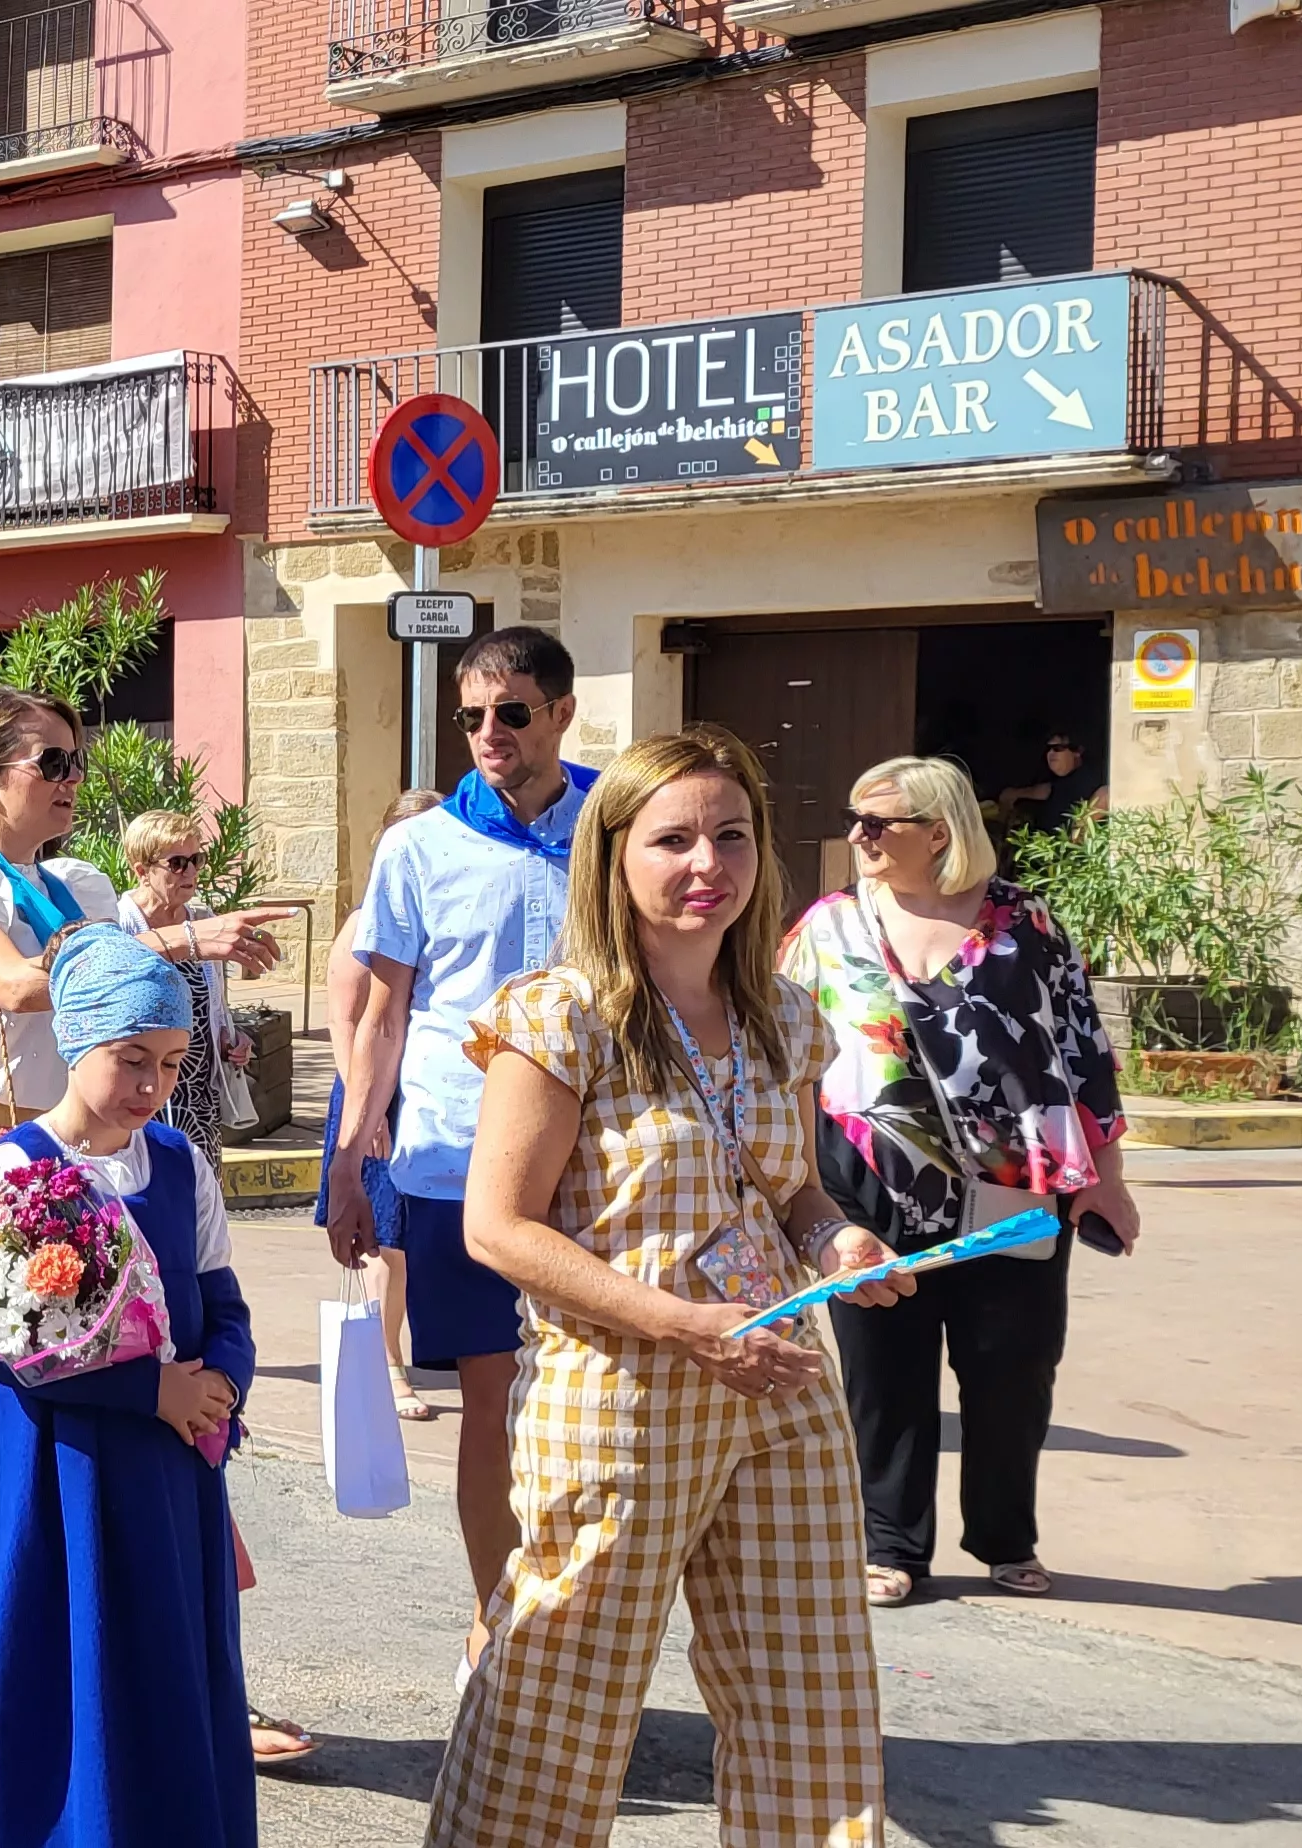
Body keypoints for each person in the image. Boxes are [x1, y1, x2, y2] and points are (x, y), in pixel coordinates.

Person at [432, 726, 904, 1848]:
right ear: (614, 857)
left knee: (812, 1694)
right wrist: (684, 1324)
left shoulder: (781, 1016)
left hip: (780, 1383)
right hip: (619, 1397)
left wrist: (841, 1243)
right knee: (562, 1694)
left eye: (730, 837)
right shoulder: (557, 1015)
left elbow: (794, 1197)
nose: (709, 865)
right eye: (675, 839)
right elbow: (496, 1228)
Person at [0, 923, 258, 1848]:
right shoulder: (15, 1173)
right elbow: (6, 1351)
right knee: (60, 1662)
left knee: (155, 1667)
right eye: (131, 1061)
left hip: (162, 1480)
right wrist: (147, 1394)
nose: (152, 1088)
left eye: (169, 1062)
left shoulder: (181, 1166)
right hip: (56, 1479)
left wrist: (222, 1388)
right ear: (78, 1043)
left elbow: (224, 1303)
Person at [784, 755, 1139, 1609]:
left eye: (880, 823)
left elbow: (1085, 1054)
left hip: (1016, 1187)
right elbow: (783, 1055)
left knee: (1012, 1370)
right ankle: (891, 1543)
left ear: (939, 833)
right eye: (854, 819)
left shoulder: (1028, 925)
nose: (859, 836)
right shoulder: (828, 926)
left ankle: (1006, 1537)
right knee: (884, 1374)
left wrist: (1108, 1178)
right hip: (871, 1182)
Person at [327, 625, 590, 1642]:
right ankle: (498, 1620)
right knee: (492, 1397)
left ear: (560, 714)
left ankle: (581, 1618)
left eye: (510, 713)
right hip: (452, 1160)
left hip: (590, 1160)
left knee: (582, 1407)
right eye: (472, 715)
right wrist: (352, 1160)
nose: (487, 733)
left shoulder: (615, 824)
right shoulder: (419, 845)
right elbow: (379, 1015)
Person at [0, 687, 285, 1220]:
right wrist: (182, 941)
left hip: (73, 1140)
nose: (72, 777)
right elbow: (16, 986)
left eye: (75, 761)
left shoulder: (73, 886)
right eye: (51, 762)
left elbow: (112, 995)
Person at [313, 787, 450, 1423]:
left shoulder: (439, 913)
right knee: (384, 1242)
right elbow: (346, 1026)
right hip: (377, 1097)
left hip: (423, 1090)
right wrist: (367, 1118)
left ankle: (427, 1347)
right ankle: (388, 1364)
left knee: (419, 1239)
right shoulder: (364, 923)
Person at [119, 809, 259, 1156]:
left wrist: (233, 1039)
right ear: (143, 871)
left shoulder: (204, 921)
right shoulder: (121, 924)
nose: (192, 872)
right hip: (142, 1094)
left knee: (200, 1200)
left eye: (197, 859)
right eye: (178, 863)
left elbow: (214, 1006)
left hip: (199, 1096)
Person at [995, 734, 1106, 839]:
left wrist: (1080, 832)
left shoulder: (1092, 775)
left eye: (1057, 748)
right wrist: (1016, 793)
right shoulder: (1063, 778)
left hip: (1069, 852)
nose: (1051, 753)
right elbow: (1049, 789)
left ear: (1077, 751)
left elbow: (1106, 793)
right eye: (1048, 749)